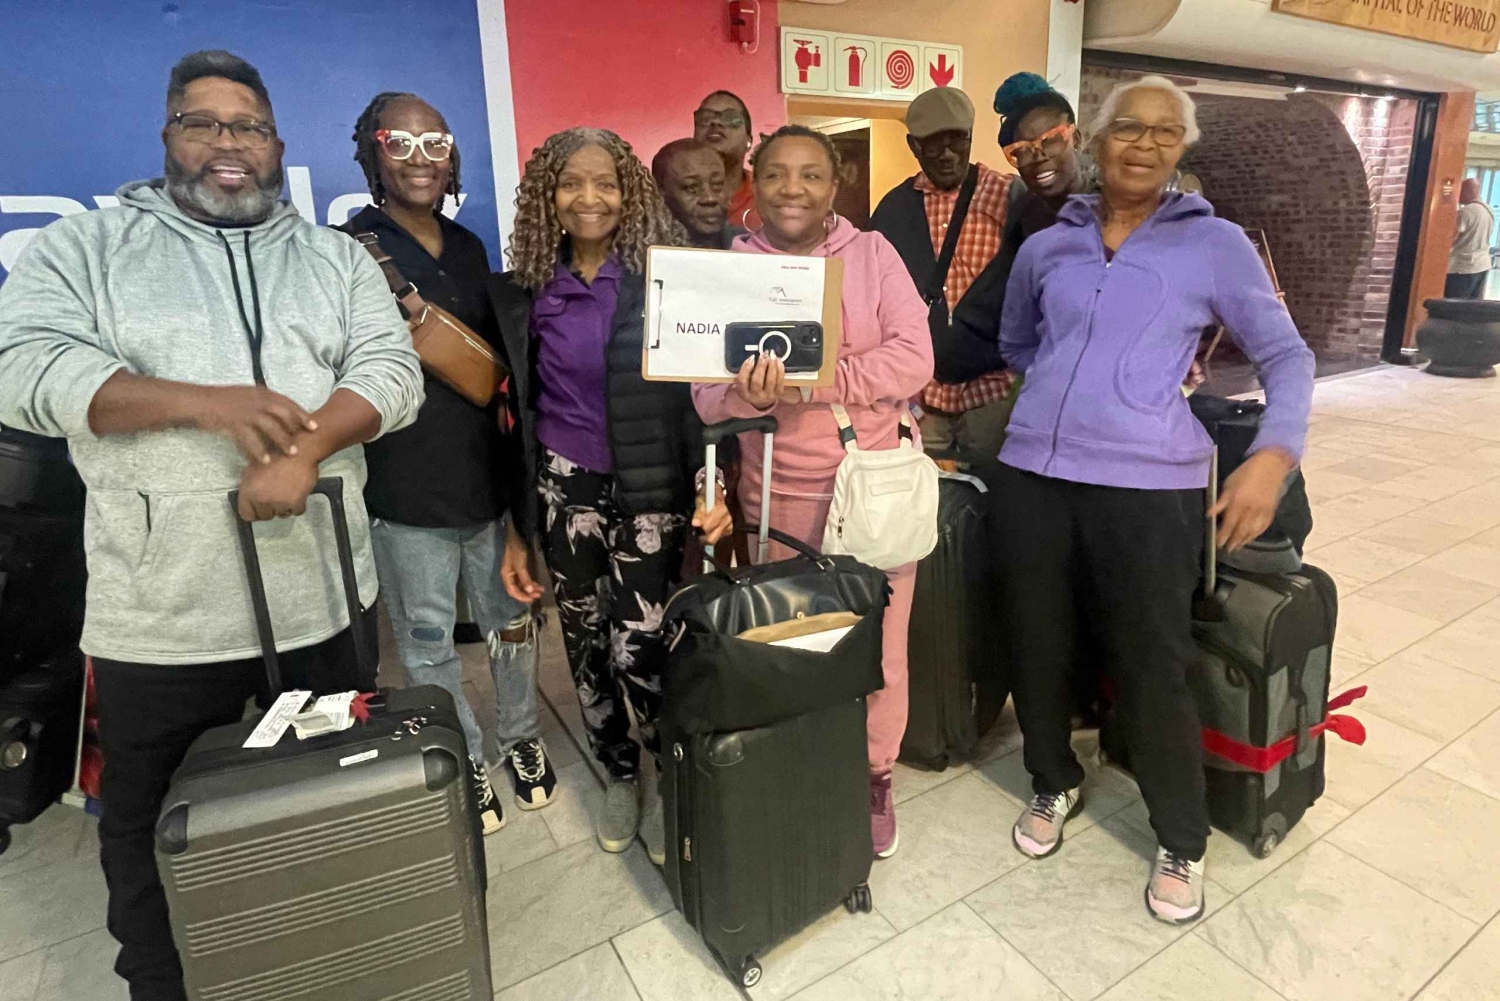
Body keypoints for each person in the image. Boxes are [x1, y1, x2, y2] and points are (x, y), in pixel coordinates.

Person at [0, 51, 423, 1000]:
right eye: (204, 123)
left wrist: (305, 449)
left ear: (277, 144)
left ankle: (324, 966)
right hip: (162, 617)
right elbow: (20, 371)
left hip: (325, 599)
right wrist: (209, 403)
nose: (228, 144)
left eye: (249, 126)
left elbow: (393, 372)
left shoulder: (334, 258)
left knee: (330, 801)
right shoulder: (87, 249)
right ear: (168, 136)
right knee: (154, 827)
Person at [996, 76, 1314, 924]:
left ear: (1182, 148)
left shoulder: (1215, 245)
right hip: (1034, 474)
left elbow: (1288, 357)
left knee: (1152, 661)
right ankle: (1053, 778)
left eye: (1166, 132)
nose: (1145, 143)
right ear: (1096, 139)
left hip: (1150, 484)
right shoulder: (1047, 246)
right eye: (1129, 127)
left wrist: (1273, 456)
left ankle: (1182, 834)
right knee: (1037, 640)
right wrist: (1069, 388)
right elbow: (1020, 342)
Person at [692, 125, 934, 860]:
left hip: (873, 486)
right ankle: (801, 762)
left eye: (810, 175)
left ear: (835, 186)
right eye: (775, 174)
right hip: (777, 494)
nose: (792, 189)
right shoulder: (733, 266)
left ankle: (874, 775)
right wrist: (748, 390)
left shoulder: (873, 254)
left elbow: (914, 359)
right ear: (754, 182)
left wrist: (814, 380)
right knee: (796, 646)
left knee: (880, 648)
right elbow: (705, 397)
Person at [492, 128, 732, 863]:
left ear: (631, 195)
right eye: (572, 183)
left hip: (650, 486)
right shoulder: (526, 291)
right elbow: (511, 415)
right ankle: (619, 772)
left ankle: (668, 769)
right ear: (548, 197)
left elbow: (700, 399)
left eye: (606, 183)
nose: (589, 198)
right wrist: (516, 527)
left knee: (642, 646)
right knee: (587, 643)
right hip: (565, 489)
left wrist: (711, 483)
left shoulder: (664, 280)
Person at [346, 92, 555, 837]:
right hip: (404, 487)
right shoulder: (346, 249)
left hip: (487, 478)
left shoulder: (467, 246)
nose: (420, 158)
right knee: (428, 640)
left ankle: (521, 735)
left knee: (511, 624)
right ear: (371, 152)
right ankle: (462, 750)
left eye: (435, 142)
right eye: (399, 142)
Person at [870, 87, 1014, 461]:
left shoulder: (1008, 197)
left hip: (994, 391)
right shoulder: (893, 210)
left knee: (997, 486)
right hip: (920, 395)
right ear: (914, 147)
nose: (948, 154)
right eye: (935, 144)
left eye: (957, 140)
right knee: (921, 489)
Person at [652, 137, 741, 249]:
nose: (710, 198)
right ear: (660, 192)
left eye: (717, 184)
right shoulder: (638, 252)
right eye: (691, 187)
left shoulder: (749, 247)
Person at [694, 90, 761, 231]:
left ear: (748, 141)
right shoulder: (670, 194)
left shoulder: (766, 195)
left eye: (731, 118)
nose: (715, 122)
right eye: (705, 118)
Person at [1447, 177, 1494, 299]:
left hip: (1462, 267)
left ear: (1467, 191)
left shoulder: (1465, 212)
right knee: (1473, 304)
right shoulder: (1488, 210)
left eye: (1461, 191)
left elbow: (1451, 238)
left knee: (1455, 304)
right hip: (1482, 264)